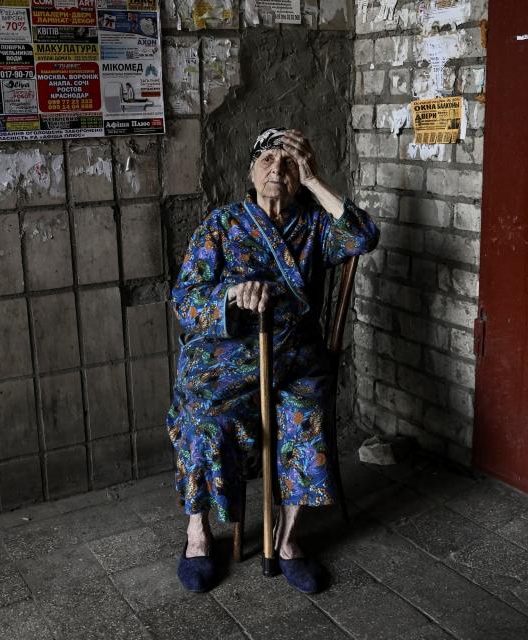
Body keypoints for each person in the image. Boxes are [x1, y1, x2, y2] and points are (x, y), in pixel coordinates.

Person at [167, 127, 380, 593]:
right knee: (204, 415)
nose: (276, 170)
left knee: (306, 409)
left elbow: (364, 236)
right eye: (267, 160)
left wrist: (316, 179)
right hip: (229, 358)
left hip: (295, 357)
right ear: (250, 170)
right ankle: (198, 533)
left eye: (287, 164)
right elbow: (185, 298)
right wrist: (230, 296)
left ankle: (287, 539)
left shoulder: (316, 226)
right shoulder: (222, 225)